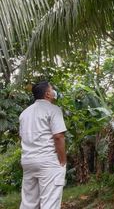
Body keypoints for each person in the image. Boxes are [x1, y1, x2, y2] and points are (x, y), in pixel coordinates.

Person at [19, 81, 67, 209]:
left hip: (28, 161)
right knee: (50, 203)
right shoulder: (54, 110)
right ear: (47, 94)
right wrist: (62, 161)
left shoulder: (24, 113)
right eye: (52, 89)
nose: (54, 91)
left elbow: (22, 137)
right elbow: (58, 136)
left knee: (29, 204)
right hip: (47, 161)